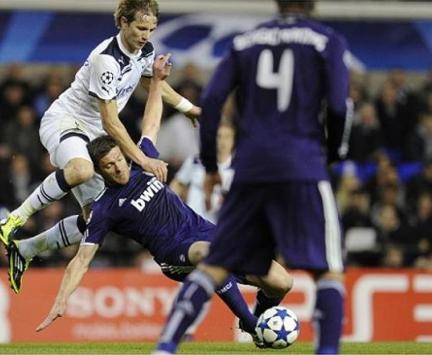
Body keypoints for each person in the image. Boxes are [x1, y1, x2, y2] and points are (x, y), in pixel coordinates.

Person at [34, 55, 293, 342]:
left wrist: (157, 82)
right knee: (211, 254)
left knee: (281, 282)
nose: (118, 166)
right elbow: (81, 260)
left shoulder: (143, 166)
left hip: (208, 232)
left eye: (119, 158)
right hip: (175, 254)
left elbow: (152, 121)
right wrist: (60, 301)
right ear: (99, 170)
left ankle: (260, 318)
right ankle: (251, 324)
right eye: (109, 165)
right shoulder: (104, 208)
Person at [155, 1, 352, 354]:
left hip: (251, 164)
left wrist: (212, 166)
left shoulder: (246, 41)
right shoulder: (327, 41)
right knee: (328, 270)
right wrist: (333, 154)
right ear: (312, 5)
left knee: (216, 265)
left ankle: (166, 345)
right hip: (302, 163)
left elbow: (212, 100)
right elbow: (339, 107)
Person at [0, 0, 200, 293]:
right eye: (141, 28)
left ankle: (25, 249)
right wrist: (143, 159)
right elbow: (111, 122)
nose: (146, 35)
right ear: (123, 23)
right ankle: (15, 218)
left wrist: (188, 107)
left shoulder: (145, 52)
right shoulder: (106, 59)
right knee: (80, 169)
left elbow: (151, 85)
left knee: (96, 216)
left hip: (92, 133)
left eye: (151, 29)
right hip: (66, 122)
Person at [170, 120, 235, 223]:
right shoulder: (196, 161)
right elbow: (178, 184)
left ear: (233, 140)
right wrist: (172, 208)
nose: (223, 141)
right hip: (190, 223)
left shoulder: (237, 170)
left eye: (227, 137)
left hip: (217, 227)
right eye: (219, 136)